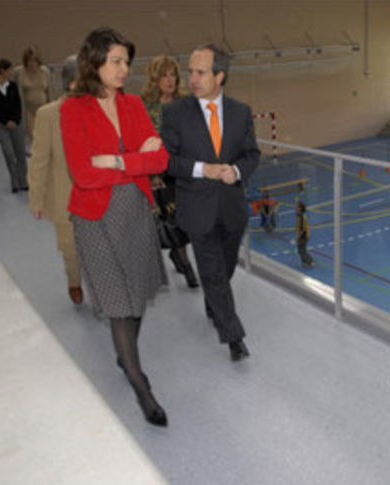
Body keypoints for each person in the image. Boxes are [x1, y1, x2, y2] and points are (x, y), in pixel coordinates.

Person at [60, 27, 169, 426]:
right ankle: (141, 385)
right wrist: (134, 157)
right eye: (116, 62)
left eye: (127, 62)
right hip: (95, 218)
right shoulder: (72, 109)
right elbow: (84, 174)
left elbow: (160, 161)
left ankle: (126, 357)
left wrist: (117, 160)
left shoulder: (135, 105)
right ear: (95, 63)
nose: (124, 69)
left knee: (136, 294)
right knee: (119, 304)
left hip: (135, 210)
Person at [161, 44, 260, 362]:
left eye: (200, 72)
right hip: (197, 209)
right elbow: (167, 162)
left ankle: (213, 302)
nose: (192, 78)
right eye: (190, 71)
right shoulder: (175, 114)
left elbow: (251, 154)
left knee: (224, 269)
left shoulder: (241, 112)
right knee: (214, 274)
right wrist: (204, 169)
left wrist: (235, 171)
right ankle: (234, 337)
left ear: (220, 76)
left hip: (231, 210)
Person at [28, 55, 83, 305]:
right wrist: (36, 199)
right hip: (65, 197)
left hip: (99, 194)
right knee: (70, 249)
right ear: (72, 82)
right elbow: (39, 160)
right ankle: (74, 281)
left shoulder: (102, 110)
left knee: (100, 251)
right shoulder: (48, 115)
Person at [140, 55, 199, 288]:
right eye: (164, 75)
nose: (169, 80)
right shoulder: (145, 106)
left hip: (182, 169)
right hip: (158, 173)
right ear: (155, 79)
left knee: (184, 219)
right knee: (168, 219)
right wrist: (151, 173)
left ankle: (179, 255)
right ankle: (183, 261)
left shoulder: (187, 102)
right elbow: (141, 141)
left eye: (172, 74)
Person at [0, 58, 28, 192]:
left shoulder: (12, 85)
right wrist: (5, 121)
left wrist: (15, 119)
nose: (11, 72)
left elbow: (17, 104)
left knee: (20, 152)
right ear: (2, 70)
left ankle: (23, 181)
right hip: (0, 124)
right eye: (9, 69)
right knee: (8, 152)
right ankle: (14, 182)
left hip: (16, 123)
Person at [14, 46, 51, 145]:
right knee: (36, 141)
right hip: (29, 113)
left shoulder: (45, 71)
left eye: (35, 61)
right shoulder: (19, 72)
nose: (32, 64)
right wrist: (21, 117)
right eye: (30, 61)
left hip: (45, 111)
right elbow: (19, 95)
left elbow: (49, 92)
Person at [296, 201, 315, 268]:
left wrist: (299, 236)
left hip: (303, 236)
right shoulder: (299, 216)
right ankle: (304, 262)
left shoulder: (302, 217)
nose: (296, 208)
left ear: (300, 208)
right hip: (302, 235)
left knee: (302, 250)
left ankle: (310, 261)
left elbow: (303, 228)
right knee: (300, 250)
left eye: (298, 207)